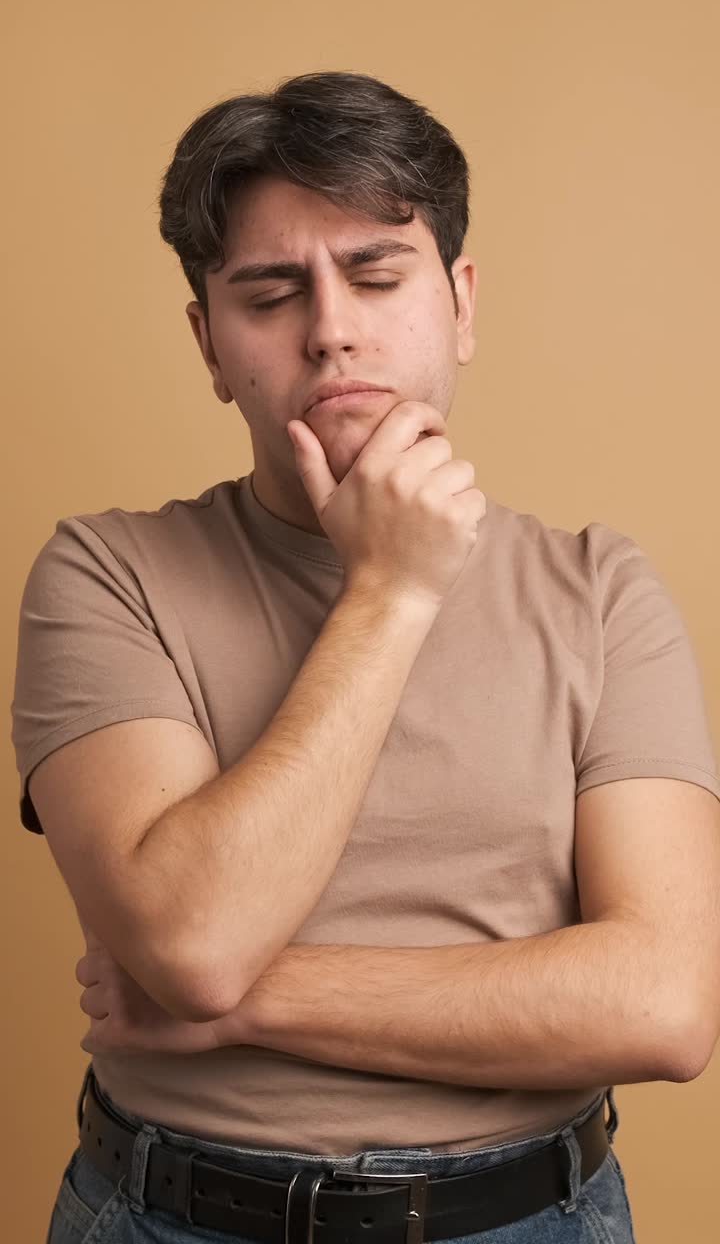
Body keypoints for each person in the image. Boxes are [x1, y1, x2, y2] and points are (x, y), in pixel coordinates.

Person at [11, 70, 720, 1244]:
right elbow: (192, 934)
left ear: (461, 301)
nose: (331, 325)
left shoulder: (603, 591)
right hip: (171, 1214)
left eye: (378, 274)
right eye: (271, 291)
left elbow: (664, 1004)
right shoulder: (103, 573)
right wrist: (389, 591)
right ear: (208, 340)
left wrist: (242, 999)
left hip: (532, 1216)